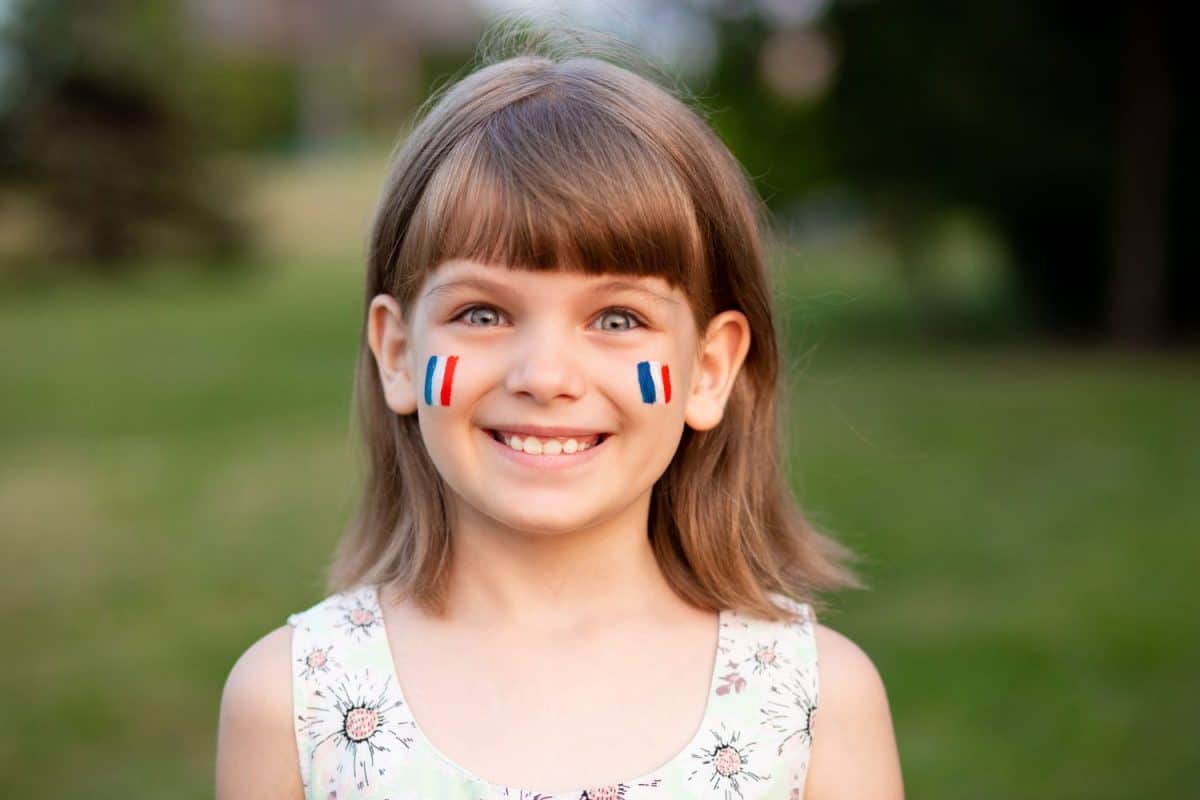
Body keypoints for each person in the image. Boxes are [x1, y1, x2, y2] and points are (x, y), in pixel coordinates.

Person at [215, 24, 903, 800]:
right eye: (482, 313)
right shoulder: (295, 703)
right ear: (399, 355)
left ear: (709, 370)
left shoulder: (810, 706)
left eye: (616, 319)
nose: (545, 376)